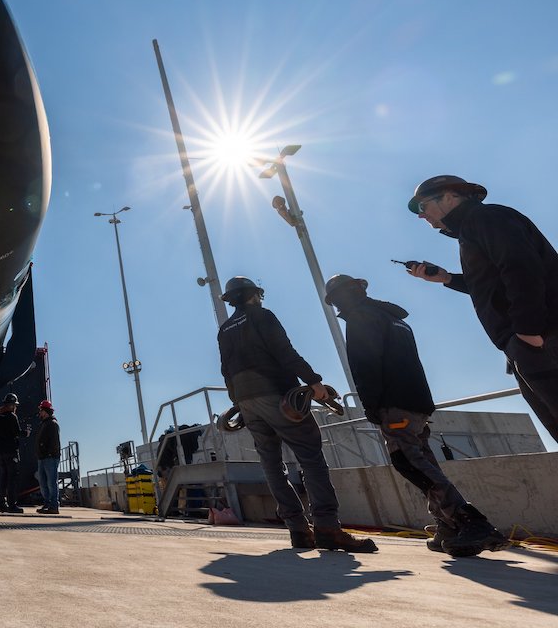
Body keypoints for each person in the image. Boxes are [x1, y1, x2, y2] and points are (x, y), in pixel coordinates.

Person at [325, 274, 510, 557]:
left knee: (411, 463)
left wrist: (371, 406)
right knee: (421, 462)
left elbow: (365, 365)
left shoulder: (362, 318)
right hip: (417, 401)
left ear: (341, 299)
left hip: (394, 403)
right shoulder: (393, 318)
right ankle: (448, 527)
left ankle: (471, 521)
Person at [217, 275, 377, 553]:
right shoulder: (262, 316)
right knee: (311, 456)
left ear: (231, 300)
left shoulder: (225, 328)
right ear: (254, 295)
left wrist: (239, 403)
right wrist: (314, 382)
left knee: (271, 464)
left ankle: (299, 530)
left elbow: (226, 369)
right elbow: (284, 352)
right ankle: (328, 527)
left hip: (246, 401)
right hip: (276, 395)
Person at [405, 175, 558, 442]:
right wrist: (447, 279)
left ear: (450, 196)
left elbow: (521, 267)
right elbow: (492, 285)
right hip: (529, 344)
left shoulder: (485, 219)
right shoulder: (473, 229)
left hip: (542, 339)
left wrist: (528, 334)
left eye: (422, 206)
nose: (421, 215)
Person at [0, 393, 28, 513]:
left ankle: (1, 504)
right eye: (14, 405)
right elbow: (16, 432)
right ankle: (12, 505)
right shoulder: (12, 417)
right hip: (11, 451)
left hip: (0, 452)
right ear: (12, 405)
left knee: (3, 478)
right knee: (12, 479)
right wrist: (26, 433)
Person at [34, 399, 61, 514]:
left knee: (51, 482)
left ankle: (54, 506)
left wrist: (49, 453)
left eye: (41, 410)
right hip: (43, 458)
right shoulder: (44, 424)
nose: (39, 412)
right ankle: (47, 504)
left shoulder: (52, 424)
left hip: (50, 458)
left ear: (45, 411)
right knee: (43, 483)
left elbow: (54, 442)